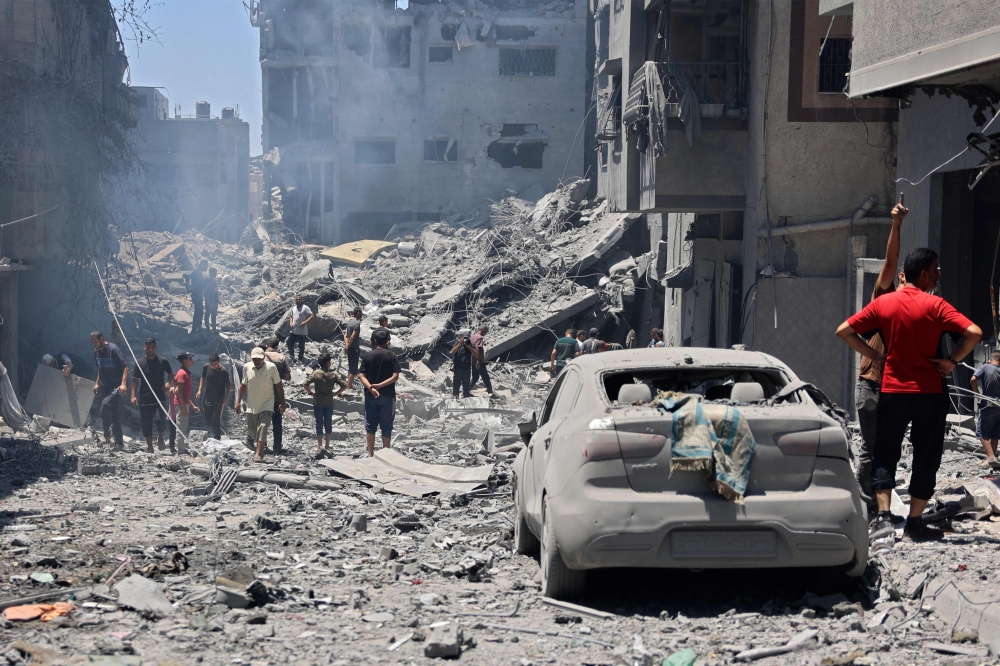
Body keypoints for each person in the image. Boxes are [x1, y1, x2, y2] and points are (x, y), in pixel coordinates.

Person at [836, 247, 982, 543]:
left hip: (893, 390)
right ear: (924, 274)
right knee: (926, 456)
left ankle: (884, 519)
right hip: (930, 392)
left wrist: (876, 355)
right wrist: (951, 361)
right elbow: (974, 333)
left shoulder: (885, 303)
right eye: (936, 270)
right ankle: (915, 523)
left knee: (885, 452)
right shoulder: (937, 305)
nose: (938, 275)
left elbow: (844, 330)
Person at [853, 200, 908, 513]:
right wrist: (896, 226)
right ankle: (869, 507)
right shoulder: (884, 301)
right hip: (874, 386)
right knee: (874, 450)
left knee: (883, 450)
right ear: (901, 279)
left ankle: (874, 503)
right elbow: (889, 263)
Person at [236, 347, 285, 462]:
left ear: (263, 357)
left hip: (267, 402)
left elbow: (279, 385)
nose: (257, 361)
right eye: (254, 359)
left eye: (259, 359)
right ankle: (255, 443)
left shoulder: (271, 367)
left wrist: (283, 402)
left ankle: (259, 453)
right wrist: (238, 402)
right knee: (252, 431)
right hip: (252, 404)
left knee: (263, 426)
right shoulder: (247, 367)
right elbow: (243, 385)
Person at [360, 328, 400, 457]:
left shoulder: (368, 355)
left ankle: (370, 454)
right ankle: (385, 454)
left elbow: (361, 375)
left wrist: (372, 388)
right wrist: (380, 386)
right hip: (387, 396)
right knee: (386, 426)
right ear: (387, 341)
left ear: (374, 341)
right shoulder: (392, 356)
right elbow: (395, 377)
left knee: (370, 426)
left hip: (371, 396)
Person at [131, 338, 172, 453]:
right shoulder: (139, 363)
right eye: (148, 347)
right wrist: (133, 396)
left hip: (159, 396)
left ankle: (160, 438)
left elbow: (171, 374)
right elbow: (135, 381)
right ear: (144, 347)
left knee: (160, 420)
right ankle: (150, 446)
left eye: (152, 347)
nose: (150, 350)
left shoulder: (162, 361)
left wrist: (168, 382)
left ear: (156, 347)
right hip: (145, 398)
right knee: (146, 423)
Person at [91, 331, 128, 450]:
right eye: (92, 342)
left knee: (105, 405)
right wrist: (97, 383)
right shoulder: (96, 352)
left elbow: (125, 367)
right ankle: (120, 443)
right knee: (114, 413)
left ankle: (106, 433)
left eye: (95, 341)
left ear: (102, 338)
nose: (94, 344)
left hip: (117, 387)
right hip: (105, 386)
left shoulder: (113, 349)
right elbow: (100, 368)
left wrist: (123, 384)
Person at [304, 352, 347, 454]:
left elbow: (305, 384)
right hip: (329, 402)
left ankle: (319, 445)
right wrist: (336, 393)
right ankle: (327, 445)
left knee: (319, 423)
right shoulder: (333, 375)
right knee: (328, 423)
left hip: (318, 401)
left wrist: (310, 393)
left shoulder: (315, 374)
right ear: (328, 363)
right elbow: (344, 385)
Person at [971, 350, 1000, 470]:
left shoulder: (985, 367)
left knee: (982, 432)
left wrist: (977, 393)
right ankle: (991, 458)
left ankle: (990, 457)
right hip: (999, 405)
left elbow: (973, 379)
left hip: (988, 404)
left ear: (989, 359)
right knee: (995, 433)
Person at [263, 337, 292, 453]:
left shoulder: (260, 357)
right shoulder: (281, 357)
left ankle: (262, 446)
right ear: (277, 347)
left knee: (263, 422)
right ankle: (277, 447)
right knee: (277, 422)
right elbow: (288, 377)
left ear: (266, 346)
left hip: (262, 394)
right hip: (276, 394)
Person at [169, 352, 200, 455]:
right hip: (180, 404)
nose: (192, 361)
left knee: (183, 425)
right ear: (184, 361)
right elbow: (179, 392)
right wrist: (183, 407)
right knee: (181, 426)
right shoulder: (182, 374)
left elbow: (186, 395)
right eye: (190, 359)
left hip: (184, 403)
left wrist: (192, 406)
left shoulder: (186, 373)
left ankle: (181, 447)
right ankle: (180, 450)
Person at [196, 353, 231, 440]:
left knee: (216, 419)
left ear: (218, 362)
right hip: (208, 396)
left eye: (215, 364)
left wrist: (226, 396)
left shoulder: (223, 371)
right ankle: (215, 431)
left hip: (219, 398)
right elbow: (203, 378)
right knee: (208, 419)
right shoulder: (206, 367)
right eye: (212, 364)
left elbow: (228, 384)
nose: (213, 366)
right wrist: (200, 390)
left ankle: (217, 437)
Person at [450, 331, 478, 399]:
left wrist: (469, 347)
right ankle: (455, 400)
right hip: (458, 368)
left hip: (467, 369)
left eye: (467, 338)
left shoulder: (471, 344)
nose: (465, 340)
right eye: (464, 338)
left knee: (466, 386)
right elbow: (452, 352)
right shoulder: (458, 343)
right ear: (462, 338)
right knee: (456, 385)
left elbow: (477, 355)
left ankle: (466, 400)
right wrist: (459, 344)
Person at [287, 294, 315, 363]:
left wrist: (305, 322)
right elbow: (291, 316)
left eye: (299, 299)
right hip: (293, 331)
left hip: (301, 332)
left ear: (302, 300)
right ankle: (292, 357)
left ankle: (300, 358)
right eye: (297, 299)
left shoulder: (305, 308)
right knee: (289, 342)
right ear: (295, 300)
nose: (298, 301)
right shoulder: (294, 308)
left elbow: (312, 316)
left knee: (301, 346)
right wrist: (290, 322)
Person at [470, 326, 493, 395]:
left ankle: (466, 390)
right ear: (483, 330)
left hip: (472, 361)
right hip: (479, 361)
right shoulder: (479, 337)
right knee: (486, 377)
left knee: (475, 377)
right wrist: (478, 361)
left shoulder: (472, 337)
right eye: (486, 331)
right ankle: (490, 393)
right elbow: (478, 348)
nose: (486, 333)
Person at [186, 260, 208, 333]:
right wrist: (188, 288)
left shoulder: (200, 272)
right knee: (198, 311)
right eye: (206, 265)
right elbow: (187, 276)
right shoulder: (197, 271)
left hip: (198, 294)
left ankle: (198, 327)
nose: (207, 267)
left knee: (200, 311)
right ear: (202, 265)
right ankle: (195, 329)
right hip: (196, 295)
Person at [344, 307, 363, 390]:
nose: (362, 314)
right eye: (361, 312)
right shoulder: (357, 323)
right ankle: (348, 387)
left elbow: (345, 335)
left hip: (350, 348)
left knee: (350, 366)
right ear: (358, 313)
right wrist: (348, 346)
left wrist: (347, 345)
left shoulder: (349, 322)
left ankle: (348, 385)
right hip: (354, 348)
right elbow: (352, 336)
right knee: (353, 369)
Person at [204, 267, 220, 332]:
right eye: (215, 272)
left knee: (214, 315)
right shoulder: (206, 281)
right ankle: (207, 328)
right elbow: (205, 291)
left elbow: (215, 290)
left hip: (215, 300)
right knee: (207, 314)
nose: (216, 274)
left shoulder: (213, 281)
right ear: (211, 272)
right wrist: (207, 299)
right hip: (210, 300)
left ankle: (214, 328)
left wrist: (218, 299)